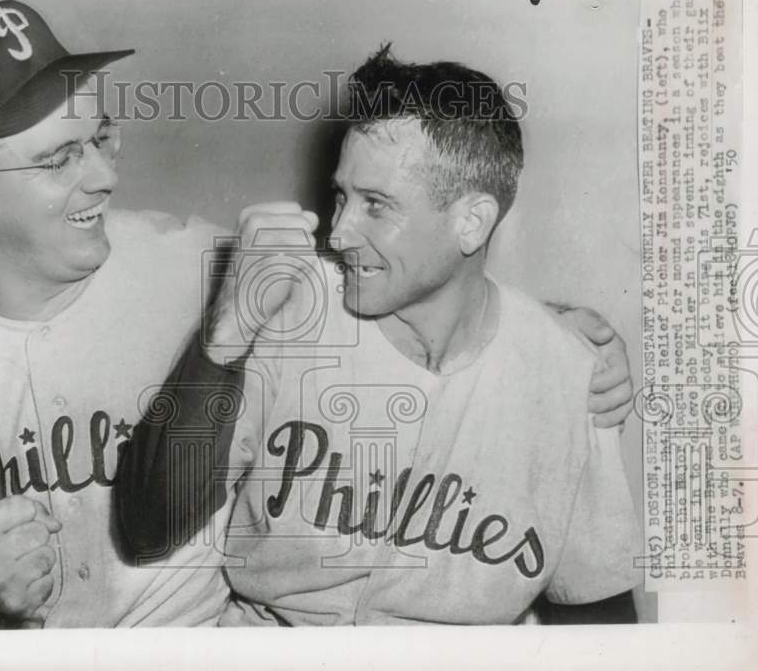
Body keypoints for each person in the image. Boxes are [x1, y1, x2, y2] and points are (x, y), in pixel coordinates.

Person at [0, 1, 633, 630]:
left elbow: (390, 280)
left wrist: (557, 338)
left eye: (102, 137)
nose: (105, 177)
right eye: (61, 157)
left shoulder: (196, 265)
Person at [117, 47, 641, 625]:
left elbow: (597, 608)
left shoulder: (565, 370)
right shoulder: (292, 307)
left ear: (473, 222)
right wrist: (222, 340)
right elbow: (149, 530)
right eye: (341, 196)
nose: (339, 231)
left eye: (376, 205)